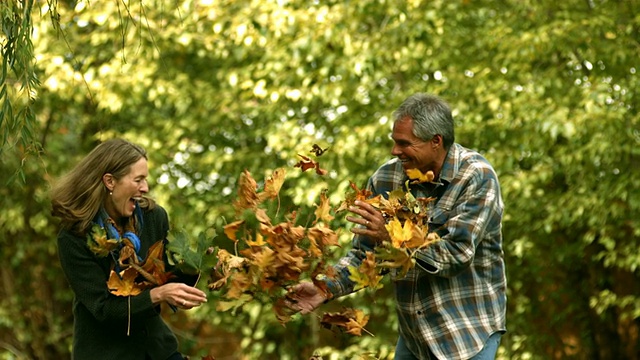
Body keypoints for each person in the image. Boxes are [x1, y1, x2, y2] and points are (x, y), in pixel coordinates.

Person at [289, 93, 507, 359]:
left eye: (404, 143)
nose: (395, 151)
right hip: (414, 335)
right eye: (394, 142)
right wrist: (325, 287)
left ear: (436, 141)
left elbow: (457, 254)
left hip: (467, 331)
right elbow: (366, 257)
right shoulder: (386, 179)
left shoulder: (476, 176)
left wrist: (392, 236)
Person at [51, 138, 208, 360]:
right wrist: (157, 295)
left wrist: (206, 264)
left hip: (158, 351)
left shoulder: (155, 217)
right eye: (138, 180)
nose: (146, 188)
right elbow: (103, 309)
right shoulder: (74, 237)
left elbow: (168, 275)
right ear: (109, 181)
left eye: (145, 179)